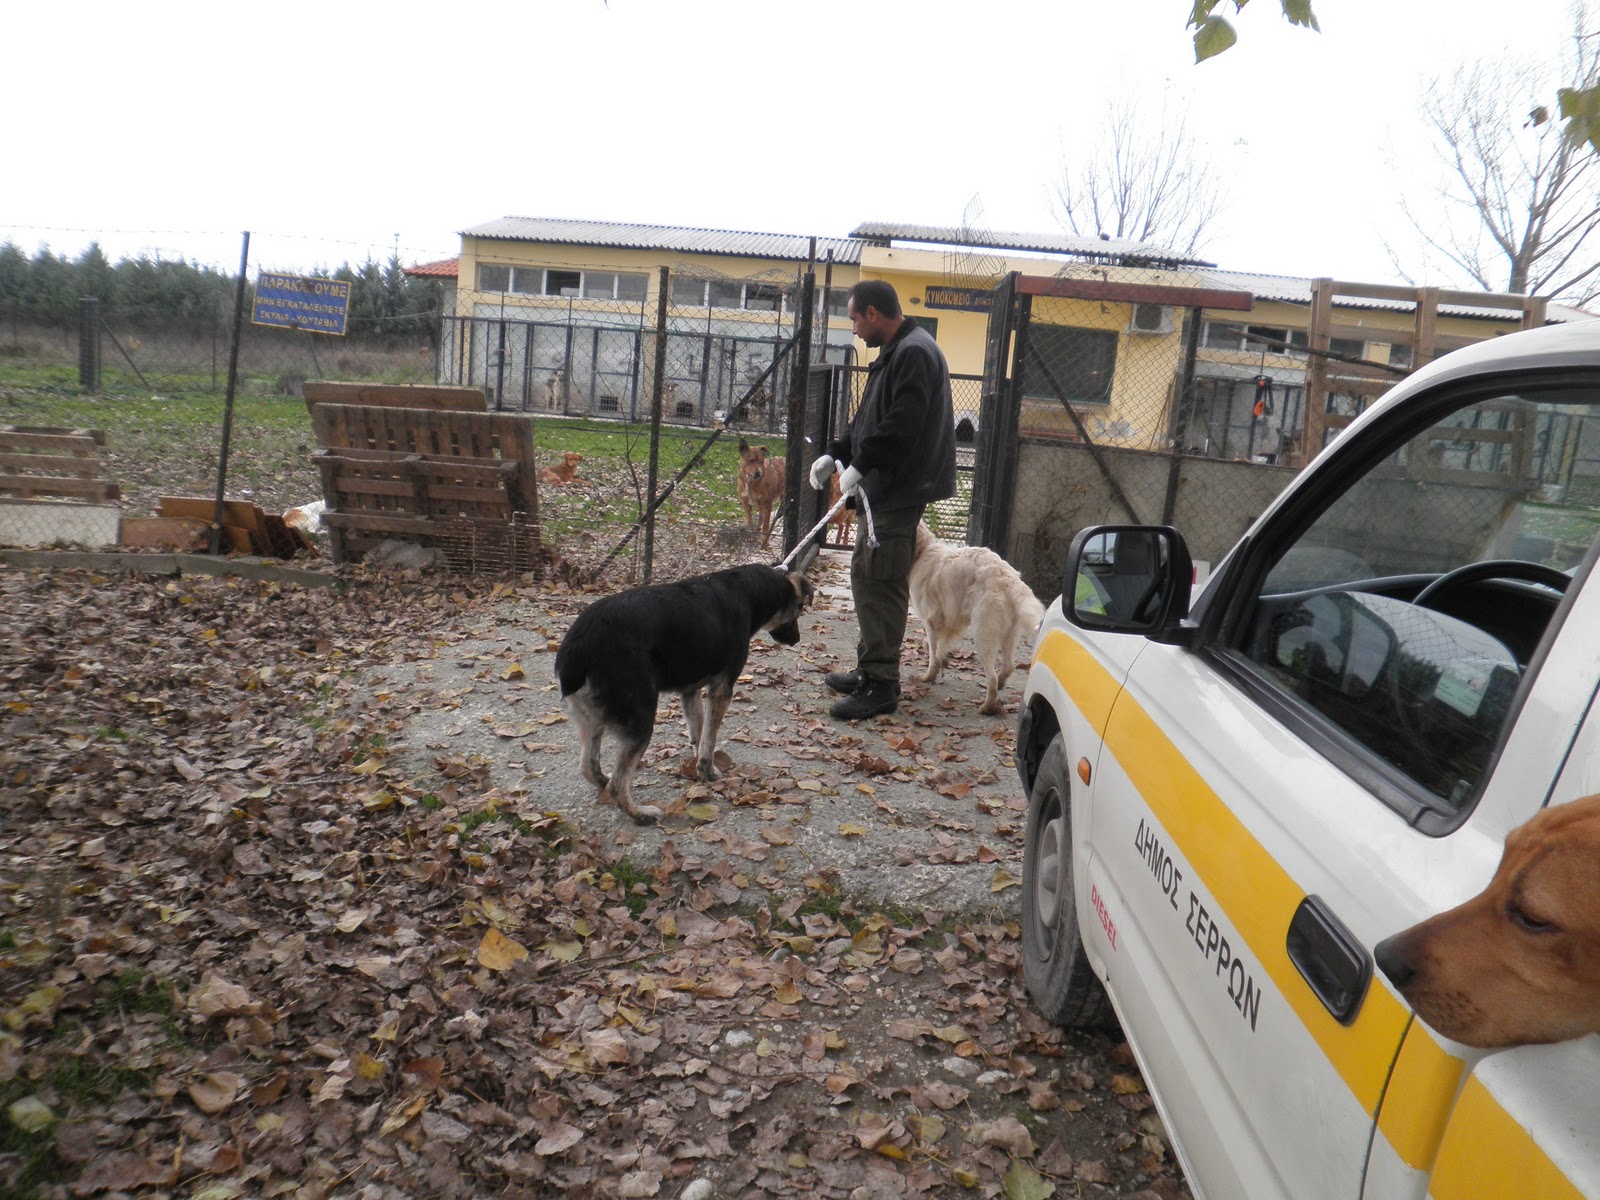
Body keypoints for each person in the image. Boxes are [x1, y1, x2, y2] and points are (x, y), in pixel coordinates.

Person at [810, 280, 956, 719]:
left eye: (855, 318)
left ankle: (881, 685)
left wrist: (862, 463)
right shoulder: (896, 352)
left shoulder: (913, 352)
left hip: (898, 490)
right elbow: (869, 418)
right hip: (883, 491)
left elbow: (902, 424)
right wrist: (836, 452)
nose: (853, 328)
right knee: (866, 576)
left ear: (874, 314)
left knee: (881, 582)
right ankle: (869, 667)